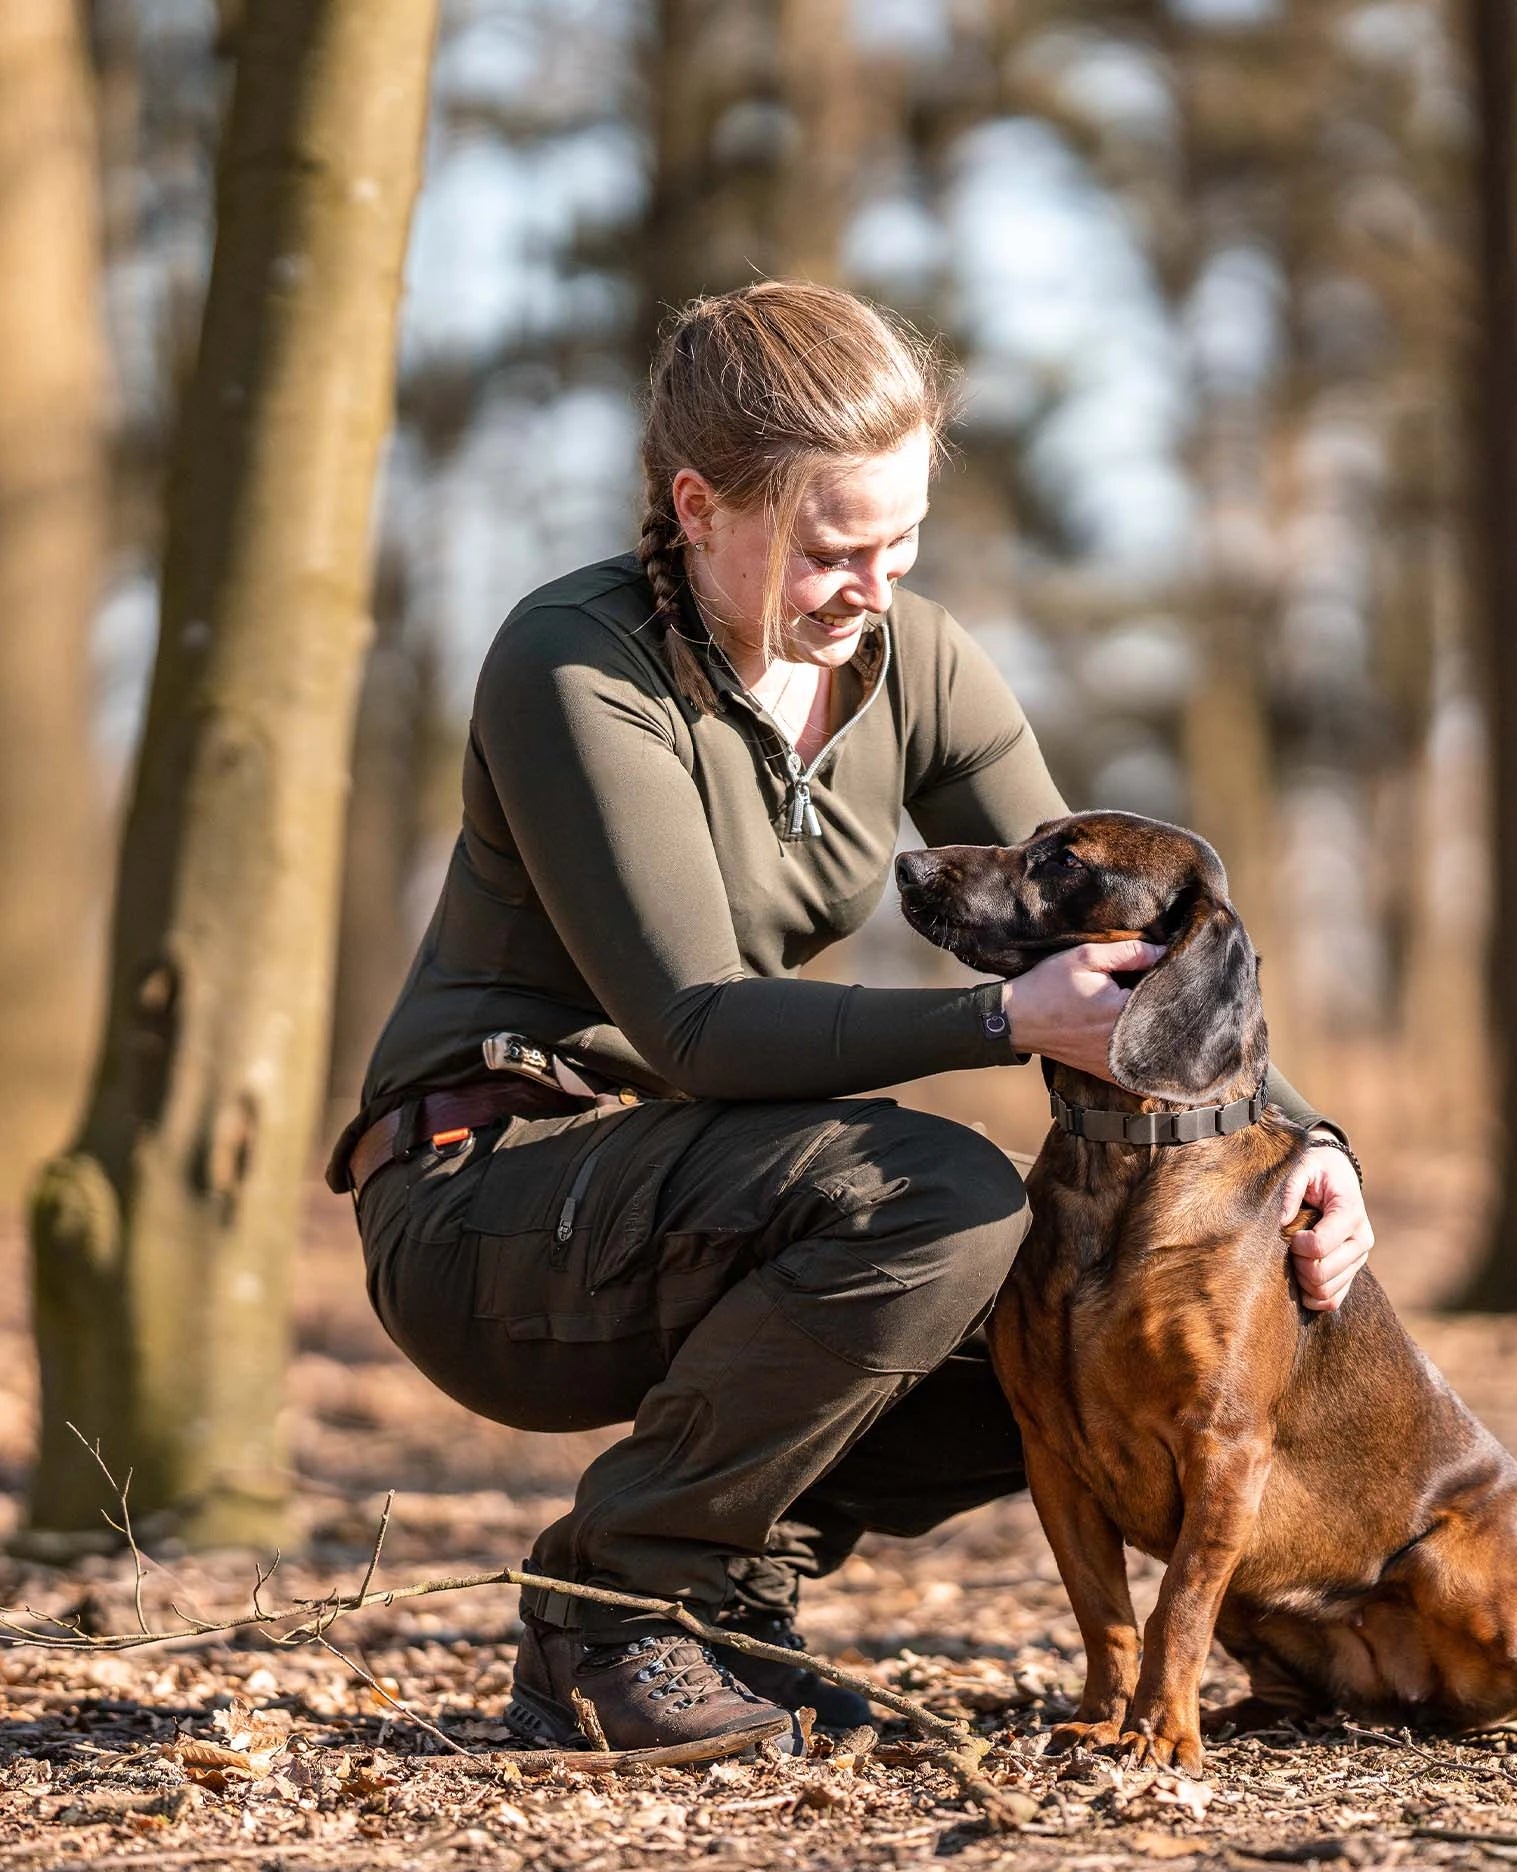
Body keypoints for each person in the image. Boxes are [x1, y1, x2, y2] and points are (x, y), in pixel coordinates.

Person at [327, 281, 1373, 1762]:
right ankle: (606, 1612)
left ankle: (720, 1610)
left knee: (1069, 1325)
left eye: (902, 541)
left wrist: (1303, 1144)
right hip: (490, 1205)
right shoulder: (572, 667)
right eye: (832, 546)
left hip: (713, 1192)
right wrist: (1002, 1022)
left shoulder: (915, 663)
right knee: (938, 1201)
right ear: (697, 507)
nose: (874, 583)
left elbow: (1131, 928)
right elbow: (693, 1025)